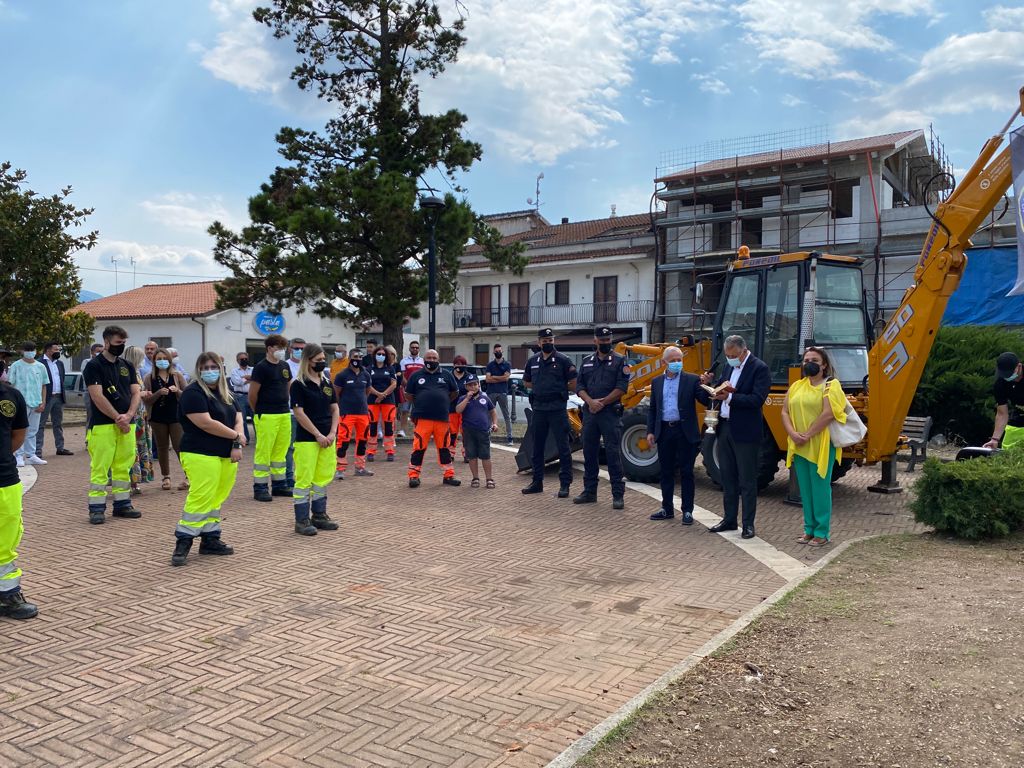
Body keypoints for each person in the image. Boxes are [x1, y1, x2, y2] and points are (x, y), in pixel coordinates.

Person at [171, 352, 243, 566]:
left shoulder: (225, 392)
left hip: (225, 454)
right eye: (205, 367)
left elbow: (238, 416)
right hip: (200, 452)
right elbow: (205, 423)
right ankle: (183, 542)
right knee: (201, 496)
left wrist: (237, 441)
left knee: (216, 497)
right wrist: (236, 436)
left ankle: (210, 539)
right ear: (198, 369)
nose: (210, 371)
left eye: (214, 367)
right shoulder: (192, 393)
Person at [706, 335, 771, 540]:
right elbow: (721, 386)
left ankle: (748, 524)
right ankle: (729, 519)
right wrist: (712, 387)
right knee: (728, 477)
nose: (730, 359)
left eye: (733, 355)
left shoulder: (759, 368)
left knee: (747, 479)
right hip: (724, 428)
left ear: (744, 351)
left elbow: (757, 399)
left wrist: (730, 398)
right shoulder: (728, 367)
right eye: (727, 355)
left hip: (745, 431)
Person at [782, 346, 846, 547]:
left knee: (820, 488)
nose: (809, 363)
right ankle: (808, 529)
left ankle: (822, 532)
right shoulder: (796, 386)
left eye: (815, 360)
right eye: (807, 359)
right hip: (799, 443)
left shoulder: (831, 385)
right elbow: (784, 411)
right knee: (806, 490)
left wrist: (808, 434)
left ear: (824, 364)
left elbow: (829, 413)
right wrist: (793, 434)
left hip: (821, 444)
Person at [83, 326, 143, 524]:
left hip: (128, 424)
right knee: (100, 467)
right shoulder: (94, 366)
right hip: (103, 425)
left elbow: (136, 392)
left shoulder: (127, 365)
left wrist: (130, 415)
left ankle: (122, 504)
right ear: (107, 342)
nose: (122, 346)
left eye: (124, 342)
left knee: (123, 466)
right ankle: (97, 508)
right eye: (118, 343)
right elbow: (97, 396)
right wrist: (119, 417)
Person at [646, 346, 712, 523]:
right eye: (673, 360)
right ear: (664, 362)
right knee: (666, 472)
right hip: (665, 430)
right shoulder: (657, 382)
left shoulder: (691, 380)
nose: (677, 363)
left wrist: (706, 384)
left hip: (684, 431)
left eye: (679, 360)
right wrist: (651, 431)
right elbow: (653, 408)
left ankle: (687, 511)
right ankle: (667, 508)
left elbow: (705, 400)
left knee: (686, 472)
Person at [574, 326, 631, 510]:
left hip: (609, 413)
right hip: (590, 413)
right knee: (589, 453)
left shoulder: (620, 361)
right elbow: (579, 386)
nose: (606, 343)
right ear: (595, 341)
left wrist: (603, 402)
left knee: (613, 454)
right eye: (602, 340)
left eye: (608, 340)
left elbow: (622, 387)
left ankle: (617, 495)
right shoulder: (587, 361)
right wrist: (591, 402)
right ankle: (589, 492)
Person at [290, 343, 340, 536]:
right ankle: (301, 519)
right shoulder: (298, 385)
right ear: (308, 361)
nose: (322, 363)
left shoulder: (326, 383)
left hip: (328, 438)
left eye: (323, 360)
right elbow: (299, 413)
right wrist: (317, 434)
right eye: (318, 360)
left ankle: (319, 515)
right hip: (308, 439)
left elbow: (334, 408)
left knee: (322, 478)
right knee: (304, 479)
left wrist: (332, 432)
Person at [522, 328, 577, 498]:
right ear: (539, 342)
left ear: (554, 341)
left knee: (563, 447)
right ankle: (537, 482)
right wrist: (541, 388)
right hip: (539, 408)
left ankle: (565, 485)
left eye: (550, 340)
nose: (547, 343)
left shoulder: (563, 360)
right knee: (537, 447)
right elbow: (527, 382)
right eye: (544, 340)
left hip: (557, 409)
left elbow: (574, 383)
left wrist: (557, 388)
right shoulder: (532, 361)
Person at [0, 375, 37, 619]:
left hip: (5, 476)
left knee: (7, 537)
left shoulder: (11, 396)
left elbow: (18, 435)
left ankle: (8, 594)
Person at [404, 348, 461, 488]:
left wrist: (442, 402)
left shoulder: (447, 375)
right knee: (419, 448)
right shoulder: (416, 376)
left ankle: (448, 476)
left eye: (434, 358)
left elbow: (454, 393)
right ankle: (413, 476)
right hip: (423, 418)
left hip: (442, 418)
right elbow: (408, 395)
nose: (431, 361)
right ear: (424, 360)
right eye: (429, 358)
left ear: (438, 360)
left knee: (444, 448)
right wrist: (422, 402)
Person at [249, 334, 293, 502]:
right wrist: (258, 412)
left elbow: (288, 387)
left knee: (280, 451)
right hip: (266, 414)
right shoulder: (261, 367)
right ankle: (260, 488)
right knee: (264, 451)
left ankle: (279, 485)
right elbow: (252, 395)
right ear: (269, 349)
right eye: (278, 348)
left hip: (283, 413)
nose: (281, 351)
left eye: (283, 348)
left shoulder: (284, 366)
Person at [143, 347, 188, 491]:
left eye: (164, 359)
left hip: (176, 416)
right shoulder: (149, 378)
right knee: (162, 448)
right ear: (154, 361)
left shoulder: (177, 376)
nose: (162, 362)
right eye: (159, 359)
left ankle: (189, 475)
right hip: (157, 417)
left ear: (169, 360)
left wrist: (178, 391)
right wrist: (157, 393)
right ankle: (166, 477)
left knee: (179, 446)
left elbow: (188, 397)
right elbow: (147, 400)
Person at [333, 349, 374, 478]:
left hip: (362, 413)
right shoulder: (342, 375)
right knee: (343, 441)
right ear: (350, 358)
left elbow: (367, 391)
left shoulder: (366, 374)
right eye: (355, 356)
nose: (358, 359)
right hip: (346, 413)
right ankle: (340, 469)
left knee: (362, 441)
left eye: (360, 357)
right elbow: (336, 394)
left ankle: (360, 468)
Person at [7, 342, 49, 468]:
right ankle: (18, 455)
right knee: (19, 429)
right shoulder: (16, 366)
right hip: (20, 403)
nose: (30, 352)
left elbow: (44, 385)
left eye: (32, 349)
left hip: (36, 402)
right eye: (27, 349)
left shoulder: (41, 366)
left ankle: (31, 455)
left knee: (33, 430)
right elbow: (10, 384)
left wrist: (43, 401)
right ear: (22, 351)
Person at [456, 374, 498, 488]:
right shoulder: (462, 398)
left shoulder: (485, 397)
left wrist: (495, 423)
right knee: (472, 456)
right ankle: (475, 478)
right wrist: (467, 399)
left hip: (483, 431)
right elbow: (458, 410)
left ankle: (489, 479)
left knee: (485, 455)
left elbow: (493, 411)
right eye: (470, 385)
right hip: (468, 431)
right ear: (466, 387)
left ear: (479, 385)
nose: (473, 387)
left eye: (475, 384)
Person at [123, 346, 154, 494]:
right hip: (133, 414)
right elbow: (128, 394)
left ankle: (136, 481)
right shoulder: (126, 372)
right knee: (132, 449)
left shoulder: (136, 372)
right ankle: (130, 481)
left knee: (141, 447)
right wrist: (142, 394)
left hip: (141, 415)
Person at [35, 341, 72, 458]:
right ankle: (37, 451)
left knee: (58, 423)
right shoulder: (39, 363)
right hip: (46, 398)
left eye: (58, 350)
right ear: (48, 350)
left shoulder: (59, 364)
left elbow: (62, 379)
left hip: (59, 397)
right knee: (40, 424)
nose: (58, 352)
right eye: (56, 350)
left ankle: (60, 448)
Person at [983, 352, 1024, 450]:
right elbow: (1002, 413)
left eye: (1009, 373)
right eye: (1004, 374)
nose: (1007, 377)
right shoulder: (1000, 382)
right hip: (1019, 417)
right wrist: (994, 440)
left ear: (1019, 366)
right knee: (1008, 453)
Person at [366, 346, 398, 462]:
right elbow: (367, 385)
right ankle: (370, 452)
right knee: (372, 426)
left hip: (388, 400)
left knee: (389, 427)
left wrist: (383, 395)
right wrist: (378, 394)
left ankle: (390, 451)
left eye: (383, 354)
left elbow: (394, 384)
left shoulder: (390, 368)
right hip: (372, 400)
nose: (381, 356)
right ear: (374, 355)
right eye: (378, 353)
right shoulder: (369, 369)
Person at [485, 343, 514, 445]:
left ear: (502, 351)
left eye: (499, 351)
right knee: (488, 416)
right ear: (493, 352)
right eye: (496, 351)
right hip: (491, 393)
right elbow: (487, 380)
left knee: (507, 415)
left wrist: (494, 377)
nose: (498, 352)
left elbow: (506, 378)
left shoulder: (507, 364)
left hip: (502, 393)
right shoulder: (490, 365)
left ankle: (510, 438)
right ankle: (487, 438)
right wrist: (501, 377)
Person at [398, 341, 424, 438]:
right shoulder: (404, 361)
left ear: (419, 349)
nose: (415, 349)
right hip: (407, 390)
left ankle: (418, 430)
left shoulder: (422, 361)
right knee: (405, 410)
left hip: (420, 391)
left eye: (417, 347)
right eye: (413, 347)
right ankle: (402, 431)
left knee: (418, 411)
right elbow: (402, 376)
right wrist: (409, 386)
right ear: (409, 349)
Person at [228, 351, 254, 443]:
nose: (244, 360)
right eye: (242, 359)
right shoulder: (234, 371)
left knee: (256, 418)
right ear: (237, 360)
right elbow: (237, 382)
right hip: (240, 396)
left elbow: (257, 379)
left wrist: (246, 378)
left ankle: (260, 439)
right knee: (242, 419)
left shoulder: (253, 369)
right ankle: (245, 439)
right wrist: (250, 378)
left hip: (252, 396)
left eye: (245, 359)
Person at [449, 355, 470, 461]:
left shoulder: (469, 377)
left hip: (465, 409)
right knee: (452, 432)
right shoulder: (449, 376)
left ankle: (466, 453)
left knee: (465, 432)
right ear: (454, 365)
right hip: (451, 408)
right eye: (457, 364)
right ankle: (451, 453)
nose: (459, 366)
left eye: (462, 364)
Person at [81, 343, 104, 415]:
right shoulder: (87, 362)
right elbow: (88, 376)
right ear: (92, 352)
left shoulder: (104, 362)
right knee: (91, 415)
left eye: (102, 351)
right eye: (98, 351)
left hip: (103, 392)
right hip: (90, 393)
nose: (100, 353)